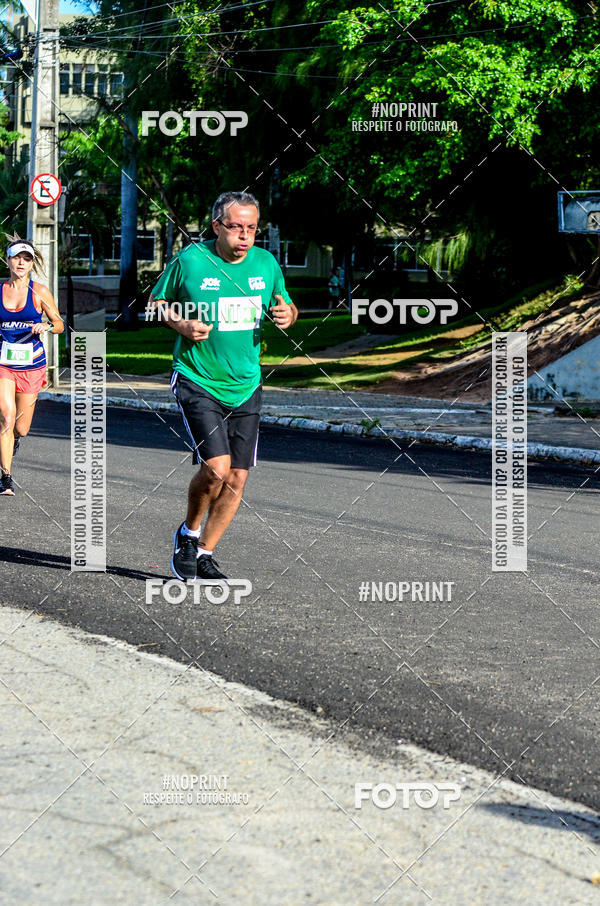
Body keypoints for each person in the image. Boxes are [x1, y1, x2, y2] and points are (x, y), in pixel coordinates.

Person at [150, 191, 298, 584]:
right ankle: (189, 532)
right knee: (215, 468)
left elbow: (285, 304)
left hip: (246, 383)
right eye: (237, 227)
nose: (245, 236)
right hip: (198, 377)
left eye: (252, 228)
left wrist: (287, 314)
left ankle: (204, 554)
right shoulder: (191, 261)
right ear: (217, 226)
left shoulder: (265, 264)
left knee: (237, 477)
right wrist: (181, 324)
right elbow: (155, 302)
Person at [0, 236, 64, 496]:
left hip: (31, 364)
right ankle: (5, 477)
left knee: (21, 428)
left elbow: (59, 323)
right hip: (3, 362)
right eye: (17, 257)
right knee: (5, 415)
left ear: (32, 262)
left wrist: (47, 326)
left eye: (27, 259)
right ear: (8, 261)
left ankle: (12, 441)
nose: (21, 263)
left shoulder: (40, 292)